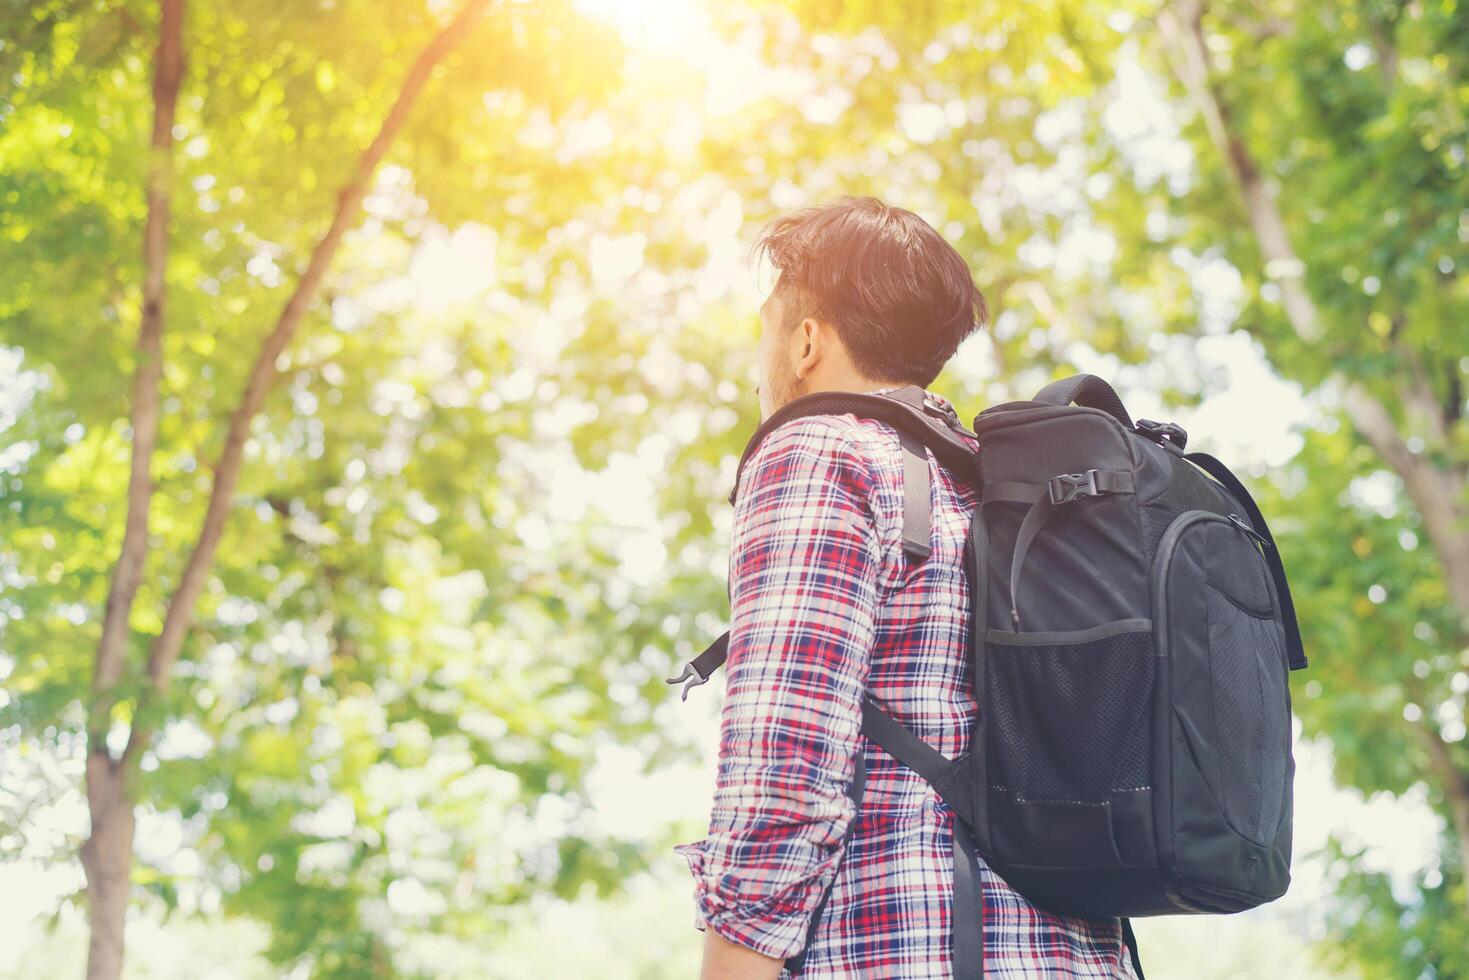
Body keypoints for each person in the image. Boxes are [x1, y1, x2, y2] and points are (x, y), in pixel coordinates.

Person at [673, 196, 1139, 979]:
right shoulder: (992, 491)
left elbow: (784, 764)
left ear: (806, 342)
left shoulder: (819, 449)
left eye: (766, 331)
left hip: (912, 946)